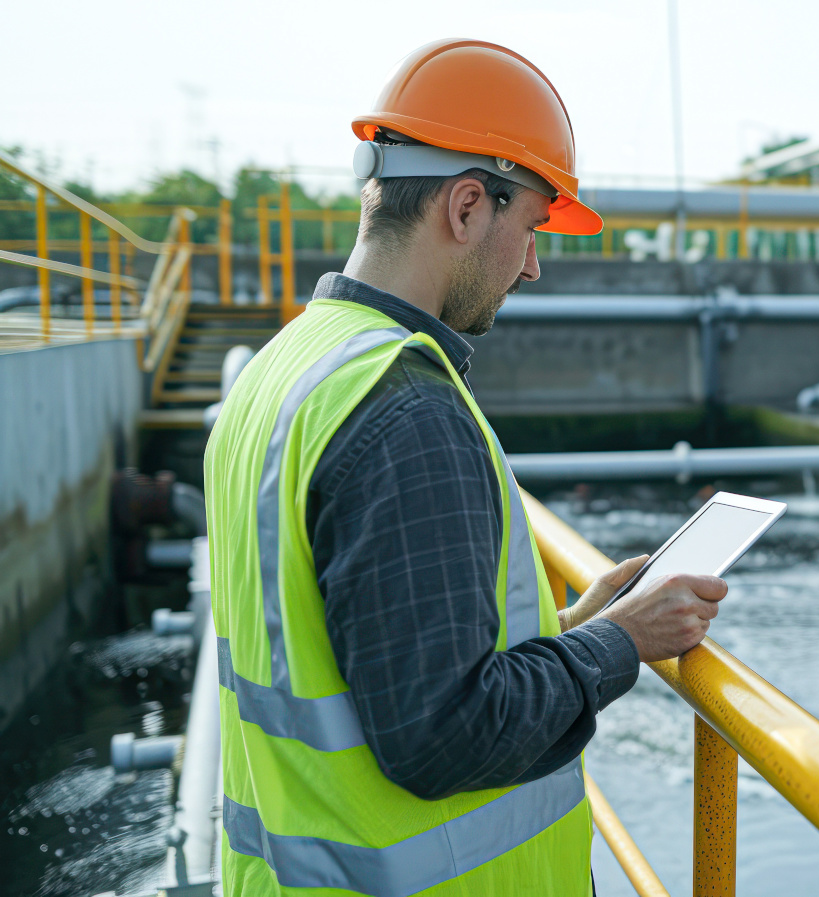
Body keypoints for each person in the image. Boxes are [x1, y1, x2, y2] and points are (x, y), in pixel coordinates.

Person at [205, 39, 727, 896]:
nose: (530, 264)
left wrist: (565, 626)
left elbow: (364, 650)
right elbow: (443, 733)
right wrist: (620, 643)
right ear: (466, 204)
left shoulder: (284, 368)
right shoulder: (405, 410)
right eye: (528, 229)